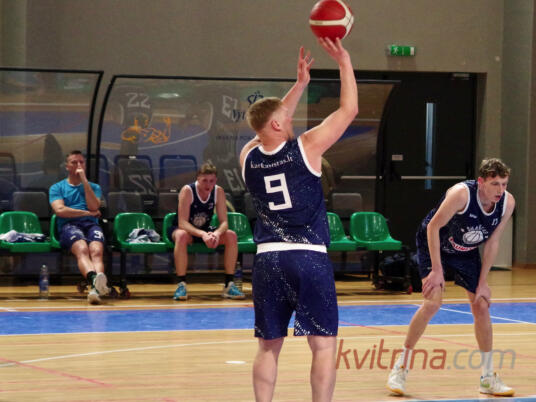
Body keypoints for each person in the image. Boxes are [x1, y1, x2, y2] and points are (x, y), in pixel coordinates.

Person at [240, 38, 358, 402]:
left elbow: (267, 124)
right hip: (308, 256)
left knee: (268, 347)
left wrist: (300, 85)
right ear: (278, 123)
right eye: (286, 118)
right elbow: (349, 109)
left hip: (268, 260)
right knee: (323, 345)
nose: (291, 118)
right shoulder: (306, 147)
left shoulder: (247, 157)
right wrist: (344, 60)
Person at [387, 158, 515, 397]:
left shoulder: (507, 203)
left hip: (466, 253)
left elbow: (493, 241)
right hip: (434, 245)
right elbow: (432, 228)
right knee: (433, 303)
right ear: (481, 182)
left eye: (504, 183)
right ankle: (400, 367)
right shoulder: (461, 194)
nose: (500, 190)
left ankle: (488, 378)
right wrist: (436, 270)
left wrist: (483, 282)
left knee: (481, 305)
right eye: (495, 184)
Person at [168, 162, 245, 300]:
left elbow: (224, 222)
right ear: (198, 178)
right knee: (181, 235)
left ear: (216, 180)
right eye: (205, 180)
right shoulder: (188, 190)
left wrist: (216, 234)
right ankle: (181, 285)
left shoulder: (218, 191)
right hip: (183, 229)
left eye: (212, 181)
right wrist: (203, 234)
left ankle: (229, 285)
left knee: (231, 236)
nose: (208, 184)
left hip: (204, 230)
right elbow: (182, 223)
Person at [49, 150, 110, 305]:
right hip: (69, 225)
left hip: (91, 224)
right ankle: (95, 281)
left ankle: (95, 290)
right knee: (82, 248)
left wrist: (84, 180)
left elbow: (94, 206)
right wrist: (87, 213)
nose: (78, 165)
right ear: (67, 166)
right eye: (74, 162)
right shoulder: (57, 188)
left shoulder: (94, 187)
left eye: (81, 162)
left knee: (96, 251)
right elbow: (60, 210)